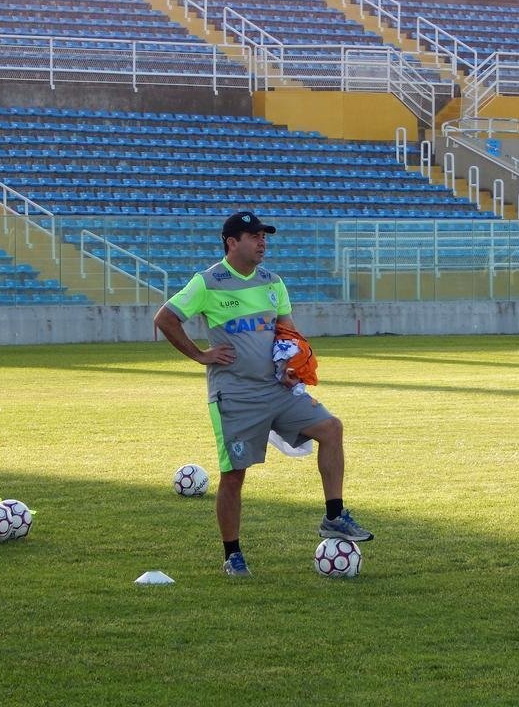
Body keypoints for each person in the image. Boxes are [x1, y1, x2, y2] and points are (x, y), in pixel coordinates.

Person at [154, 210, 373, 577]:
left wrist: (291, 365)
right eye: (254, 236)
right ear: (232, 242)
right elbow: (165, 318)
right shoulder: (207, 282)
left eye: (264, 236)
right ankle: (233, 554)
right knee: (234, 475)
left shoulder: (273, 282)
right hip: (235, 396)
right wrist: (200, 355)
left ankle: (334, 516)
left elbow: (288, 334)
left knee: (331, 428)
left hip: (278, 390)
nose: (262, 242)